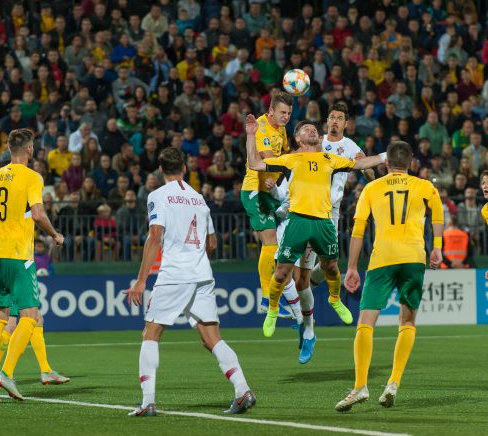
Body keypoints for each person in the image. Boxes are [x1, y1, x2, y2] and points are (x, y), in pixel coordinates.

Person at [124, 147, 255, 417]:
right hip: (203, 274)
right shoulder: (199, 199)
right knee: (211, 338)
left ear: (161, 170)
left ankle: (148, 402)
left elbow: (154, 236)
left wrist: (140, 280)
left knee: (151, 334)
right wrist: (196, 260)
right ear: (184, 168)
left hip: (174, 274)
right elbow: (213, 243)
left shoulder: (158, 196)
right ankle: (242, 390)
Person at [246, 117, 385, 339]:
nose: (311, 130)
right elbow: (254, 164)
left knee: (331, 268)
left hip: (323, 221)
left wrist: (389, 156)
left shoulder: (330, 158)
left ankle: (335, 299)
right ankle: (272, 309)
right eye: (305, 129)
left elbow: (360, 164)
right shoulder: (290, 159)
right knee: (281, 272)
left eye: (313, 129)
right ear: (298, 139)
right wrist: (251, 135)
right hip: (298, 221)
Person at [334, 141, 444, 412]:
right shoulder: (424, 186)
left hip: (382, 259)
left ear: (385, 164)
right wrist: (437, 248)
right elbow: (438, 214)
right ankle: (393, 382)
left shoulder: (372, 188)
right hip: (414, 258)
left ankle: (360, 386)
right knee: (407, 322)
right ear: (411, 163)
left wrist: (350, 268)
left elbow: (358, 230)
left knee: (365, 323)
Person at [0, 129, 65, 402]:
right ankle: (6, 373)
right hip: (20, 255)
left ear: (9, 148)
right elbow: (39, 213)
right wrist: (55, 235)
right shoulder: (32, 177)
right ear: (30, 150)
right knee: (30, 316)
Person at [310, 102, 375, 292]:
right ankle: (298, 298)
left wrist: (369, 172)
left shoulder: (350, 146)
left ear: (346, 123)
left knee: (330, 263)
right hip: (309, 206)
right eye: (332, 117)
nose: (335, 122)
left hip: (331, 211)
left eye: (339, 118)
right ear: (327, 121)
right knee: (302, 261)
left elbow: (366, 168)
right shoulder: (317, 142)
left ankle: (303, 290)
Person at [240, 91, 293, 316]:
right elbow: (270, 157)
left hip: (271, 192)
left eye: (289, 113)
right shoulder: (261, 126)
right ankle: (266, 298)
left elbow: (288, 154)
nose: (286, 117)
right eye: (282, 112)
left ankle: (277, 297)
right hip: (255, 190)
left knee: (277, 245)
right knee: (270, 241)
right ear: (271, 110)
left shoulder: (281, 129)